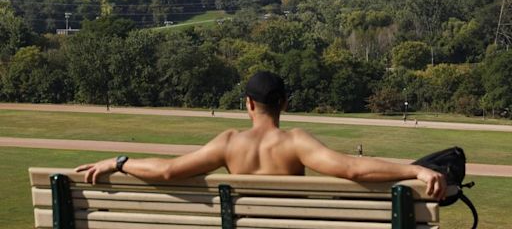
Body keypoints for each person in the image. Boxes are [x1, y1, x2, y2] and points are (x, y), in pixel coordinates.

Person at [76, 71, 447, 200]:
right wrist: (414, 170)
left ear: (248, 104)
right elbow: (352, 169)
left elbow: (170, 171)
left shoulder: (228, 143)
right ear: (283, 104)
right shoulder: (296, 142)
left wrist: (119, 161)